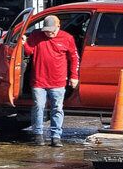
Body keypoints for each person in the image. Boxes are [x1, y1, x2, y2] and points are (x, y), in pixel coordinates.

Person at [25, 14, 82, 146]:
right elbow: (29, 51)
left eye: (52, 30)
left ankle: (56, 136)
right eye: (46, 30)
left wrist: (74, 76)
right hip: (39, 80)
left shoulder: (67, 38)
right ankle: (38, 134)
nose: (49, 33)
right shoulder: (36, 35)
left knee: (57, 108)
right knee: (39, 106)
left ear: (58, 26)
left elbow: (74, 58)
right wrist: (23, 43)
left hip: (58, 81)